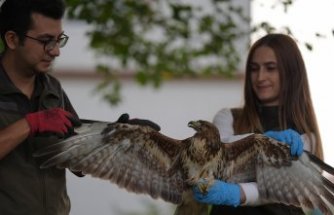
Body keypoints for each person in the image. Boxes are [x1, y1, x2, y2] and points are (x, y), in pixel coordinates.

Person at [0, 0, 160, 214]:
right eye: (46, 41)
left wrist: (114, 136)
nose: (55, 51)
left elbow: (78, 162)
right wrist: (30, 123)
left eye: (59, 40)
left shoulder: (52, 89)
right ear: (12, 39)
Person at [193, 33, 323, 215]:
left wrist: (237, 193)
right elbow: (216, 154)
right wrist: (258, 142)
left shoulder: (305, 136)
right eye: (254, 69)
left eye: (270, 68)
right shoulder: (227, 117)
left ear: (291, 72)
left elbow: (284, 186)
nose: (260, 77)